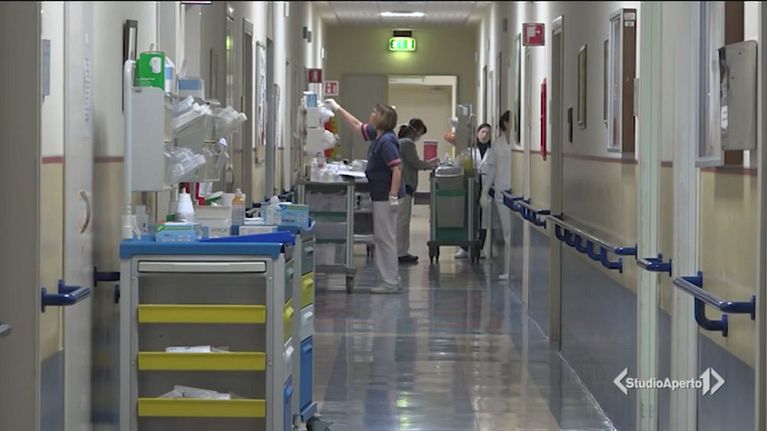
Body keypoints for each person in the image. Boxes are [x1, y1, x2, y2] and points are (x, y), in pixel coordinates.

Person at [324, 98, 404, 294]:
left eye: (374, 113)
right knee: (383, 238)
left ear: (382, 119)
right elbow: (357, 126)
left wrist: (393, 196)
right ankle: (391, 279)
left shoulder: (386, 141)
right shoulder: (379, 135)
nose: (371, 115)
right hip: (381, 194)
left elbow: (397, 169)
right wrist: (338, 108)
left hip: (386, 196)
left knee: (385, 239)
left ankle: (390, 282)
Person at [397, 119, 438, 264]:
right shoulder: (407, 143)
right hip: (405, 185)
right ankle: (400, 253)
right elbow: (415, 163)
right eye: (421, 133)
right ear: (416, 131)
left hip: (403, 185)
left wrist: (429, 163)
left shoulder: (401, 142)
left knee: (400, 220)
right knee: (402, 221)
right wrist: (431, 165)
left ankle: (400, 251)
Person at [480, 111, 512, 280]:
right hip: (501, 192)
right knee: (507, 232)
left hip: (515, 193)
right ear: (505, 124)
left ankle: (512, 269)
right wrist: (485, 191)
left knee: (513, 234)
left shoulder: (519, 143)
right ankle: (509, 269)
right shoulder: (498, 145)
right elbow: (491, 169)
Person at [455, 123, 492, 260]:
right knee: (468, 216)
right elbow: (459, 164)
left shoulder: (493, 152)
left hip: (487, 188)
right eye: (483, 132)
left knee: (483, 219)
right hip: (471, 186)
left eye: (488, 133)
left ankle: (480, 248)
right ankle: (464, 247)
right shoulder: (469, 151)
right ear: (477, 133)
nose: (485, 135)